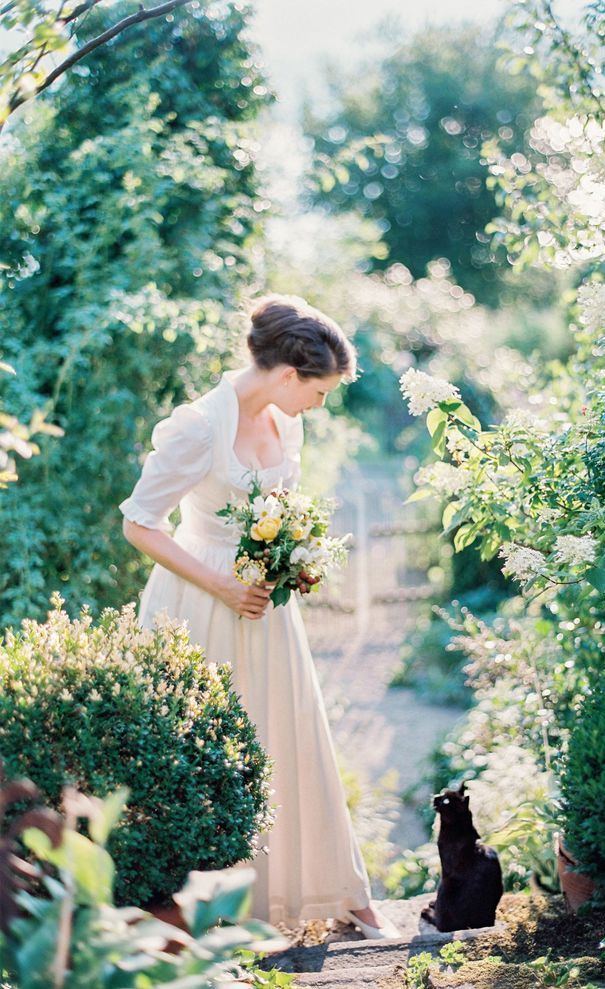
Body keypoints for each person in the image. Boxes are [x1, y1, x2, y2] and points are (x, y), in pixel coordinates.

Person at [120, 294, 400, 939]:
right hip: (199, 600)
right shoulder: (196, 427)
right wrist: (221, 584)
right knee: (206, 753)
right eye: (320, 391)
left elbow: (275, 513)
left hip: (264, 608)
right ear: (287, 375)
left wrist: (291, 556)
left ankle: (338, 891)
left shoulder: (285, 422)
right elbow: (139, 523)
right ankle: (202, 914)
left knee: (291, 735)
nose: (320, 405)